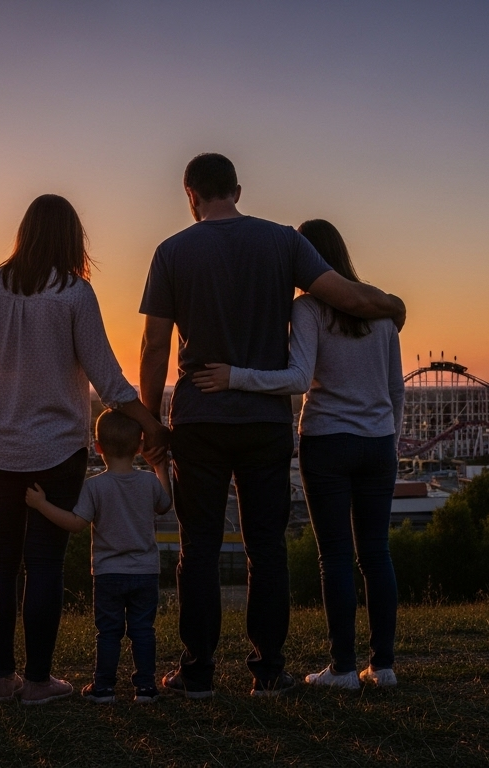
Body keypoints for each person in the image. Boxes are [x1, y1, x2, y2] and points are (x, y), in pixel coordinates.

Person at [139, 153, 406, 698]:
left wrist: (150, 419)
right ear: (238, 188)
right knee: (267, 548)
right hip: (264, 423)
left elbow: (154, 346)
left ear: (190, 195)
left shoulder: (171, 252)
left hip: (199, 417)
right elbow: (350, 299)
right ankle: (268, 671)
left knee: (200, 548)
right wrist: (394, 305)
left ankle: (198, 673)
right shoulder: (283, 242)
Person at [0, 194, 168, 706]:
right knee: (45, 563)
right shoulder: (74, 294)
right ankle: (37, 682)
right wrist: (152, 425)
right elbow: (107, 377)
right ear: (72, 239)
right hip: (56, 450)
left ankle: (0, 680)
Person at [192, 219, 404, 689]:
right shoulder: (382, 310)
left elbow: (294, 378)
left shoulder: (307, 309)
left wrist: (235, 377)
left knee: (335, 556)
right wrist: (390, 439)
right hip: (377, 444)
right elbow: (395, 390)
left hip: (327, 441)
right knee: (376, 553)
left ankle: (345, 668)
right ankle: (383, 665)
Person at [24, 409, 173, 704]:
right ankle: (146, 688)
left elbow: (76, 523)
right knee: (143, 630)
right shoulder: (147, 483)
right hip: (145, 571)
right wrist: (160, 468)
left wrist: (41, 505)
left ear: (98, 447)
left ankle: (103, 687)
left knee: (108, 632)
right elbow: (165, 504)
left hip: (108, 573)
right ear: (139, 446)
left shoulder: (94, 486)